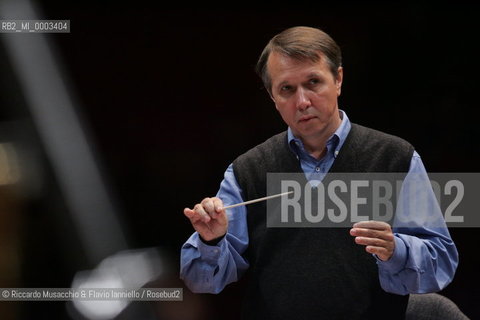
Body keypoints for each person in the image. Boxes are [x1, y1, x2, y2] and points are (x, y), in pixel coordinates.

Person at [180, 26, 458, 320]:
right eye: (287, 89)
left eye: (313, 82)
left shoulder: (395, 158)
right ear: (273, 96)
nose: (302, 102)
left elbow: (440, 262)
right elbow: (199, 281)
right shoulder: (248, 171)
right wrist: (212, 241)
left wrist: (395, 250)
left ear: (338, 79)